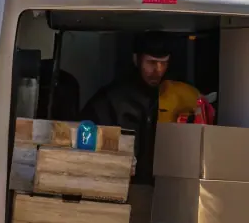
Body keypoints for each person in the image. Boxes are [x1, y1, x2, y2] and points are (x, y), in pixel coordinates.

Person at [81, 33, 201, 182]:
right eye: (151, 62)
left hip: (165, 185)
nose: (158, 70)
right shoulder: (110, 100)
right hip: (119, 183)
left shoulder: (178, 96)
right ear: (136, 59)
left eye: (164, 63)